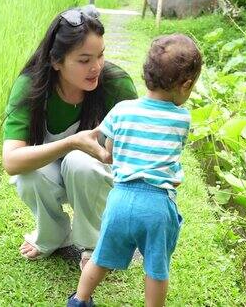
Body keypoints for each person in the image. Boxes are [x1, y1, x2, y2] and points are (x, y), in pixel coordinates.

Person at [67, 34, 203, 307]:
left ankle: (80, 300)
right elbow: (170, 153)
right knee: (156, 267)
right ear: (185, 85)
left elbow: (109, 146)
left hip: (120, 200)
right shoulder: (182, 117)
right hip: (156, 204)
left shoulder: (122, 109)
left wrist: (110, 153)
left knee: (101, 257)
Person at [2, 5, 138, 268]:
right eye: (84, 60)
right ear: (56, 61)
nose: (96, 67)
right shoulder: (32, 87)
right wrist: (72, 142)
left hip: (98, 175)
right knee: (29, 173)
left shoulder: (116, 85)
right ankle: (54, 234)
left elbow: (136, 150)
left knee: (80, 161)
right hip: (51, 174)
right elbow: (11, 162)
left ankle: (94, 244)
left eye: (100, 56)